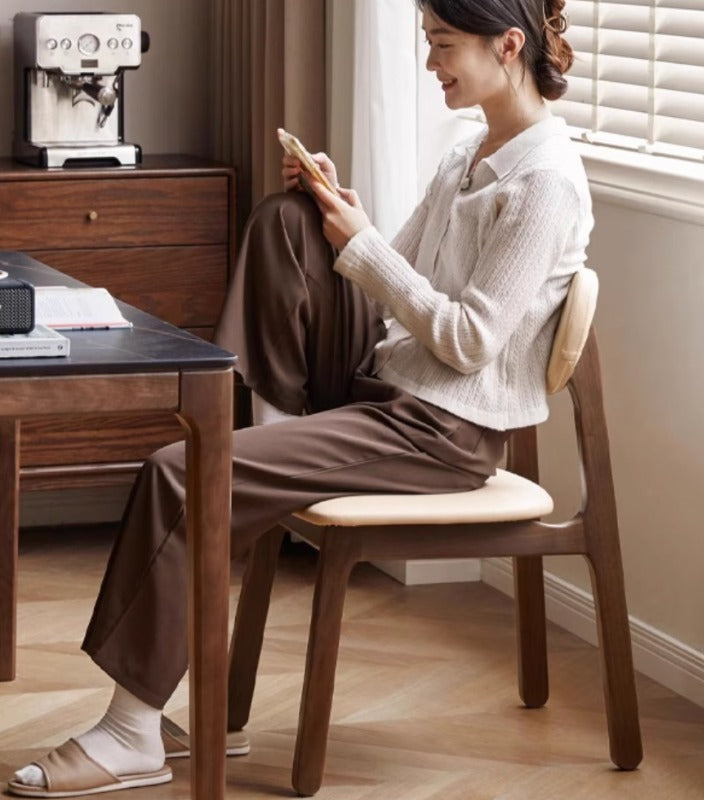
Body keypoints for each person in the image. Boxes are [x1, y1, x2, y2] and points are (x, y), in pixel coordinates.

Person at [8, 0, 592, 795]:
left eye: (444, 46)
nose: (431, 65)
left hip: (442, 429)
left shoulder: (544, 181)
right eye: (428, 44)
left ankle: (130, 732)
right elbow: (400, 277)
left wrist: (363, 249)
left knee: (184, 471)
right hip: (389, 385)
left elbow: (468, 342)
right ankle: (280, 440)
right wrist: (338, 209)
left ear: (509, 46)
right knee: (290, 219)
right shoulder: (470, 153)